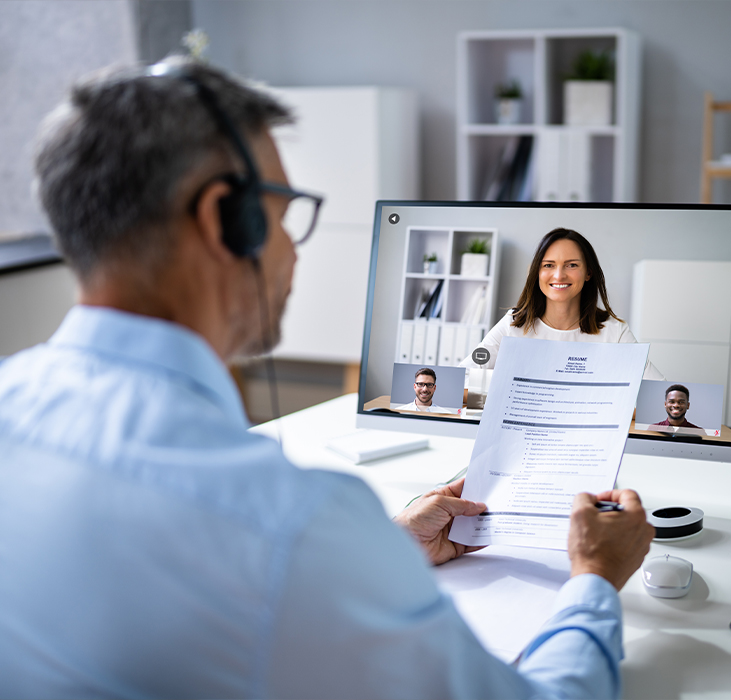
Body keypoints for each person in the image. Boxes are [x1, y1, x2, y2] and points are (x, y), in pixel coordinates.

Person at [0, 58, 655, 699]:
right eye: (284, 213)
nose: (292, 247)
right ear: (227, 219)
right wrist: (595, 580)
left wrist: (384, 552)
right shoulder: (296, 524)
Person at [461, 228, 665, 380]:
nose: (559, 275)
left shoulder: (615, 333)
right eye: (548, 265)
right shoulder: (513, 324)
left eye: (572, 265)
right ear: (537, 273)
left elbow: (661, 394)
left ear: (588, 273)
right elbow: (463, 378)